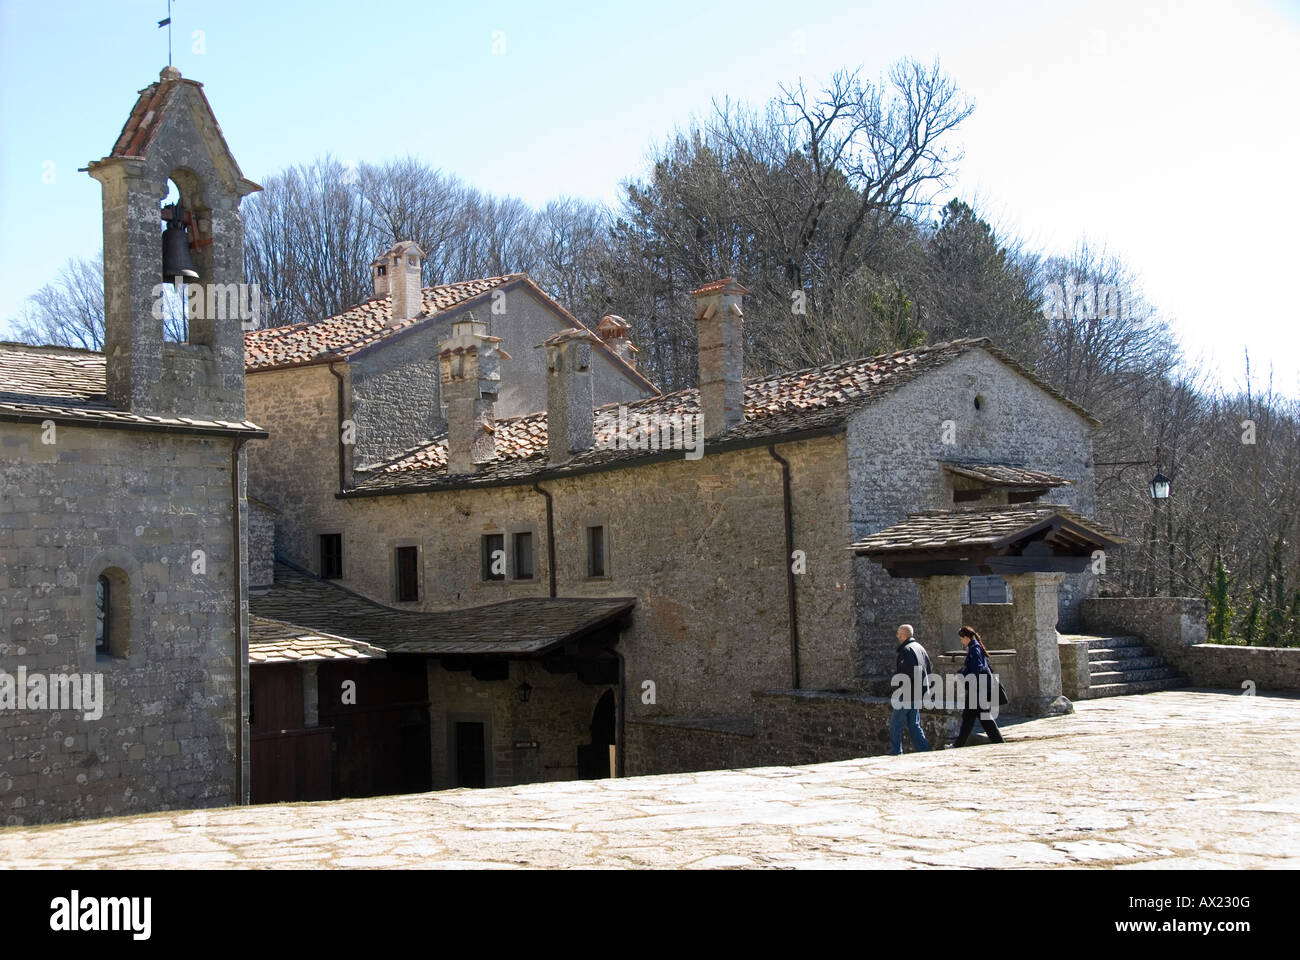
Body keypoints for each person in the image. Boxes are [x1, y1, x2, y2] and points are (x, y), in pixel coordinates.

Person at [953, 626, 1005, 747]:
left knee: (969, 719)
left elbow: (977, 668)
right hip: (978, 689)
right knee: (981, 718)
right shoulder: (976, 647)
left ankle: (958, 745)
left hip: (976, 689)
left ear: (966, 637)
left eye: (961, 639)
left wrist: (963, 674)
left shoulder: (974, 648)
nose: (961, 642)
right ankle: (999, 742)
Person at [889, 624, 932, 755]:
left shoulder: (906, 650)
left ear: (904, 635)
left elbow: (907, 673)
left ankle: (896, 752)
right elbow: (928, 668)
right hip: (919, 692)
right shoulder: (920, 648)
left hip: (908, 692)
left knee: (896, 723)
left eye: (898, 634)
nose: (897, 636)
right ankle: (924, 750)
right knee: (914, 723)